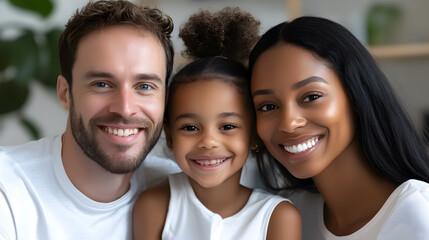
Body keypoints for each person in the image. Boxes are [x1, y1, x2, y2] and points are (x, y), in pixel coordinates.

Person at [0, 1, 181, 239]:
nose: (125, 109)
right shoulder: (8, 188)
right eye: (102, 84)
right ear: (65, 93)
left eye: (145, 86)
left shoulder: (179, 191)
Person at [248, 16, 429, 240]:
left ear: (356, 94)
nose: (288, 123)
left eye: (311, 96)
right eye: (268, 106)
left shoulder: (417, 213)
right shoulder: (287, 215)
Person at [132, 8, 301, 240]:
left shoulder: (278, 217)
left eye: (227, 126)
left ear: (254, 135)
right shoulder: (154, 205)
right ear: (170, 136)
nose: (208, 142)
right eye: (190, 127)